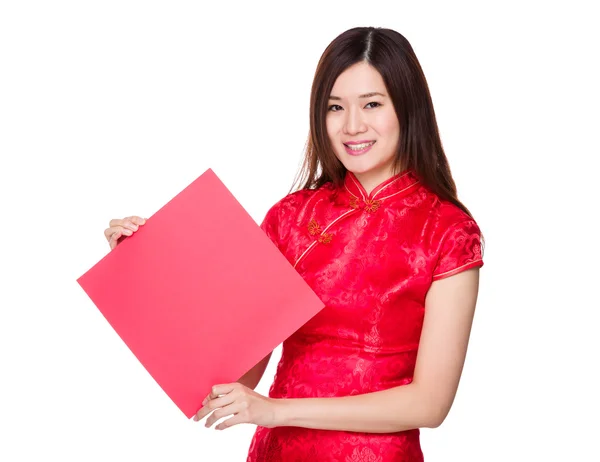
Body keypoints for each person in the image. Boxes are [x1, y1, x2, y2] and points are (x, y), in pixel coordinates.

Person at [104, 26, 484, 462]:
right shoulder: (291, 218)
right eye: (335, 107)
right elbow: (228, 381)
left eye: (372, 104)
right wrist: (146, 268)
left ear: (408, 109)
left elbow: (429, 404)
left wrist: (275, 410)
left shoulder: (448, 230)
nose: (352, 125)